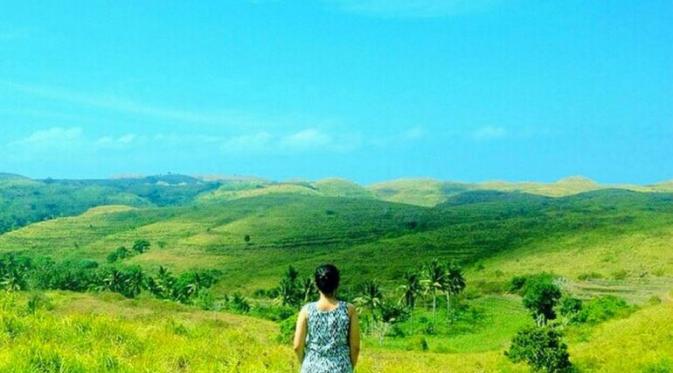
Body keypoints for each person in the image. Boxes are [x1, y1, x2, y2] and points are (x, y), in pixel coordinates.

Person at [293, 264, 360, 373]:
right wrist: (348, 367)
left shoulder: (306, 310)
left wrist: (306, 364)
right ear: (337, 284)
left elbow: (297, 346)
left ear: (316, 285)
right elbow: (355, 347)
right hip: (341, 368)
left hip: (311, 367)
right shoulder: (349, 310)